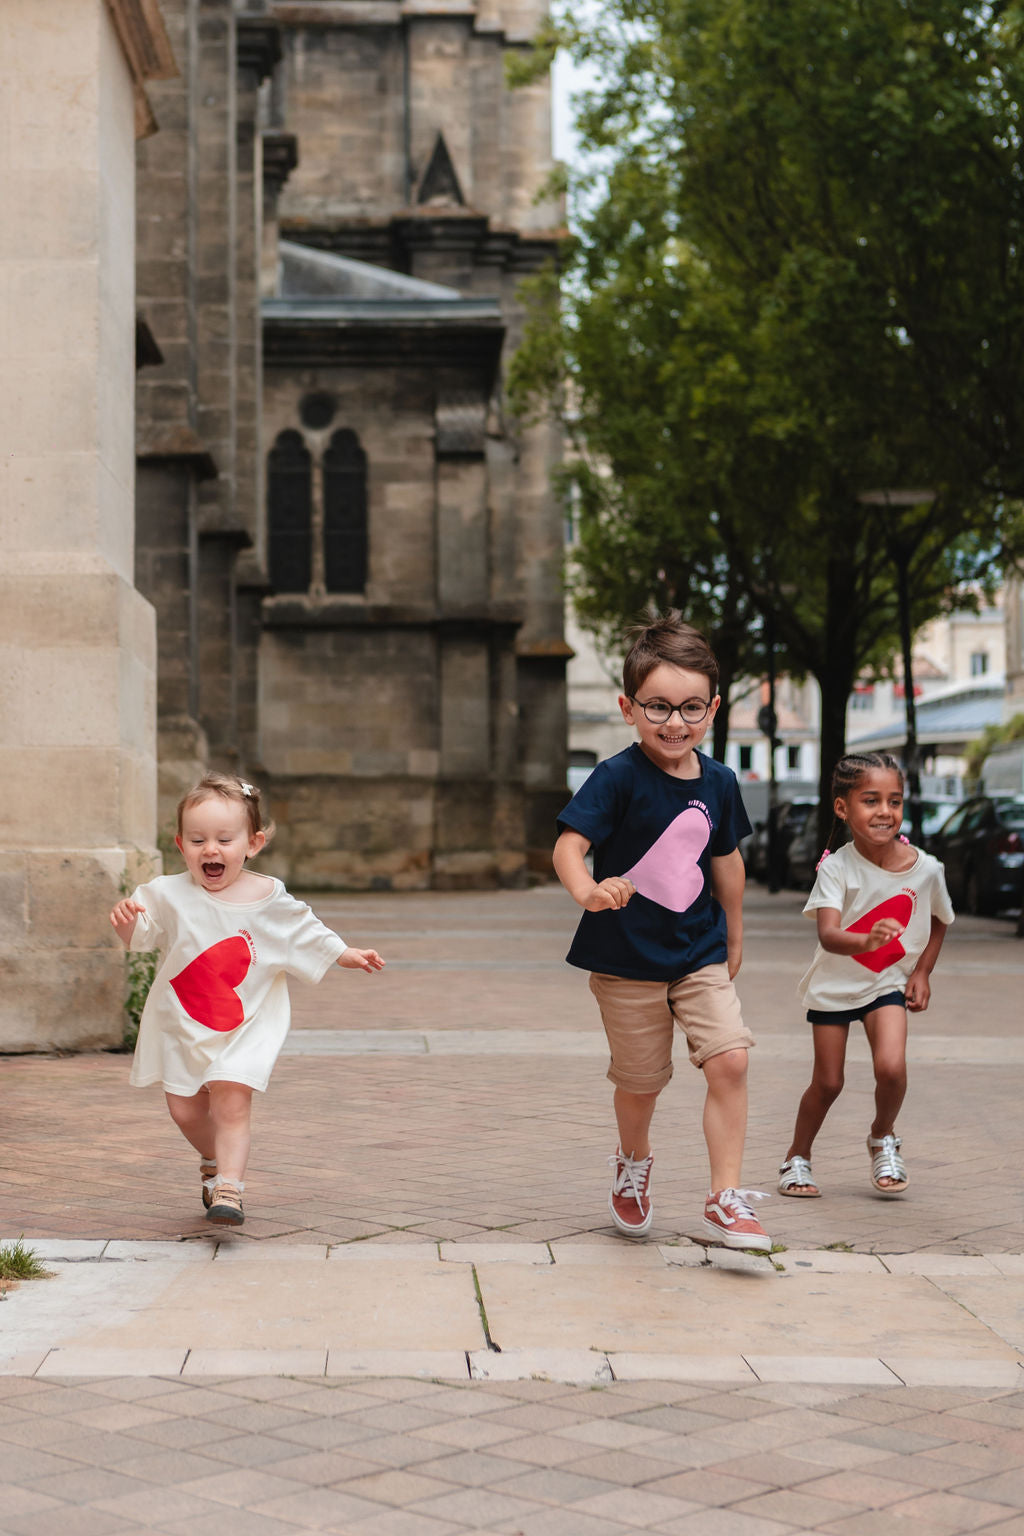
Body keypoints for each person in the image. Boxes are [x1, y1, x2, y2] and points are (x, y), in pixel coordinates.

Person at [553, 612, 770, 1251]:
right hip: (625, 958)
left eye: (691, 708)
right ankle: (633, 1161)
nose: (675, 722)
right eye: (658, 707)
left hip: (698, 950)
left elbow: (726, 860)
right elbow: (570, 846)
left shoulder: (721, 782)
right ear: (628, 708)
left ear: (713, 709)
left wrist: (734, 933)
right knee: (641, 1082)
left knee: (730, 1058)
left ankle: (725, 1198)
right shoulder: (617, 777)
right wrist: (589, 891)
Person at [109, 772, 384, 1226]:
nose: (210, 850)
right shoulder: (166, 893)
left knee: (231, 1100)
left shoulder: (268, 896)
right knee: (184, 1108)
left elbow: (303, 928)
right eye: (197, 840)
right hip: (182, 1021)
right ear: (181, 845)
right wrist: (124, 922)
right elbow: (140, 935)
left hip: (246, 1024)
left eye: (224, 839)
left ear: (252, 843)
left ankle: (230, 1187)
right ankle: (214, 1162)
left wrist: (343, 953)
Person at [778, 751, 954, 1200]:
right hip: (834, 987)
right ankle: (797, 1156)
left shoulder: (927, 869)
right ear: (843, 807)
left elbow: (940, 919)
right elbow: (830, 935)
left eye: (894, 801)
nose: (884, 812)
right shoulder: (836, 867)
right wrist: (868, 940)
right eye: (871, 800)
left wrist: (923, 971)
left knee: (892, 1068)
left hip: (886, 984)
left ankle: (883, 1137)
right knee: (829, 1082)